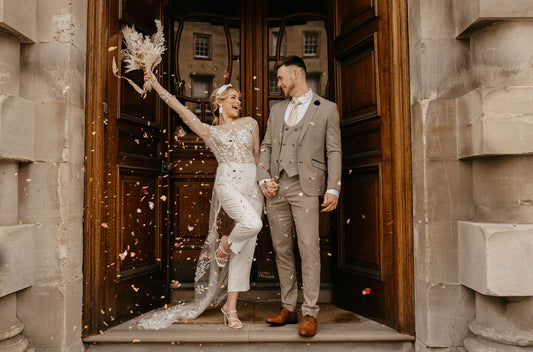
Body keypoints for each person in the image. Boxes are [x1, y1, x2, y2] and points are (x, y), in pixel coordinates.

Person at [137, 71, 265, 330]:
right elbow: (179, 108)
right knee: (252, 224)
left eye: (239, 98)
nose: (238, 101)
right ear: (219, 101)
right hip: (228, 184)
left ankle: (231, 307)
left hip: (252, 185)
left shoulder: (251, 123)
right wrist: (157, 85)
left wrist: (264, 180)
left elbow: (257, 156)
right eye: (232, 97)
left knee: (247, 248)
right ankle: (225, 244)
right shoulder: (208, 130)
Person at [257, 56, 342, 337]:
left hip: (307, 188)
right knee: (282, 250)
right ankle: (289, 307)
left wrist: (333, 188)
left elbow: (334, 151)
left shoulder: (327, 109)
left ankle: (310, 312)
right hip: (277, 188)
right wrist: (263, 177)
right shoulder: (277, 109)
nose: (279, 84)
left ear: (296, 73)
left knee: (308, 249)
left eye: (281, 78)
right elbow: (267, 145)